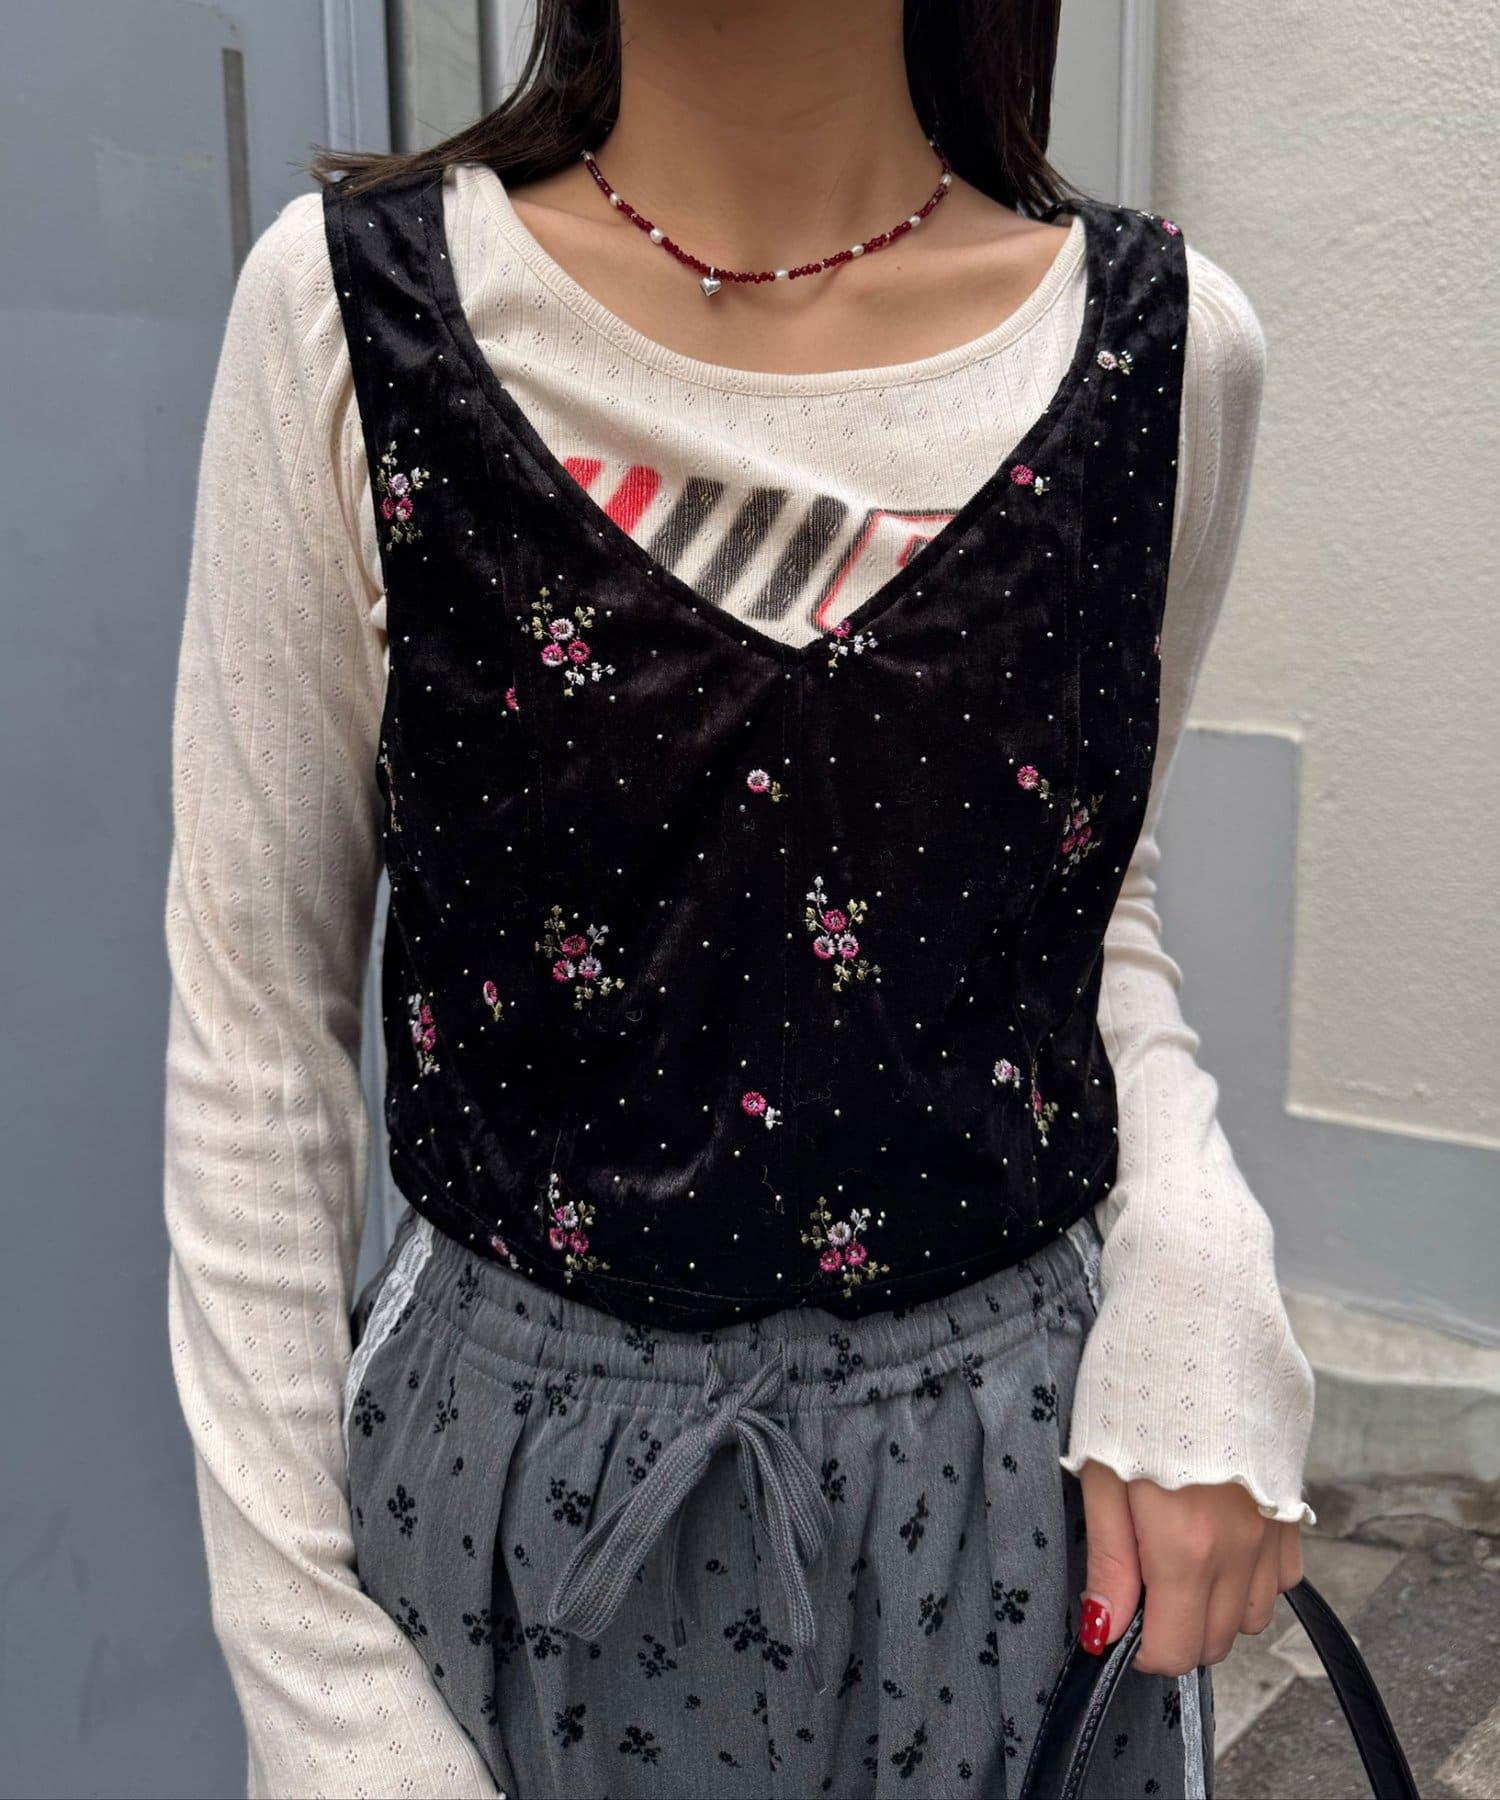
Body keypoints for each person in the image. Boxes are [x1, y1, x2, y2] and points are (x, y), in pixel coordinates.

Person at [163, 2, 1314, 1794]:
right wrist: (318, 1695)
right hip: (502, 1528)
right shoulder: (346, 319)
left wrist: (1198, 1260)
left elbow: (1087, 898)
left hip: (1004, 1523)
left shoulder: (1168, 357)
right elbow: (253, 1030)